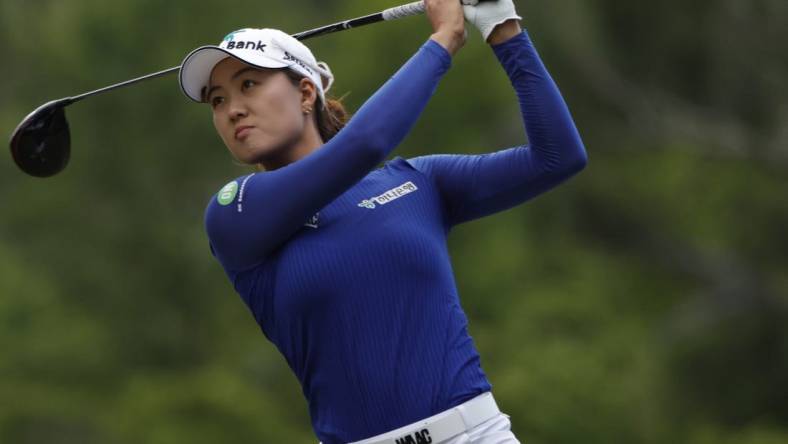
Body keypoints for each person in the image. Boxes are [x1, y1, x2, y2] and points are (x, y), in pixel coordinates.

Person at [178, 0, 587, 442]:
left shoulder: (418, 182)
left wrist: (503, 29)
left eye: (250, 84)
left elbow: (557, 157)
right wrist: (444, 39)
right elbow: (365, 144)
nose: (233, 109)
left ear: (305, 93)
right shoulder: (235, 212)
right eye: (217, 101)